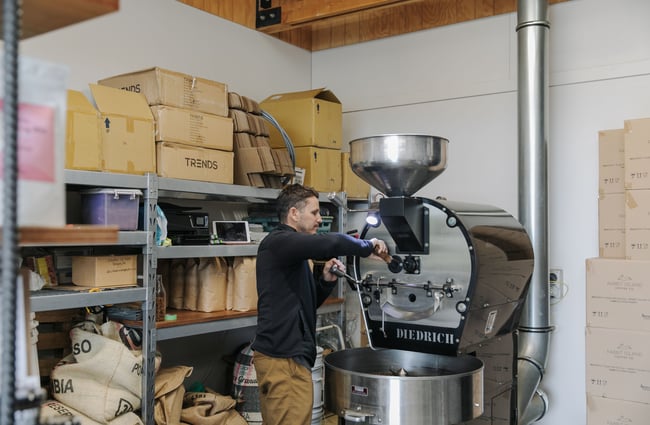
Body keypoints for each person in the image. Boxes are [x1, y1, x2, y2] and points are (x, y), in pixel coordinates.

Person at [252, 184, 387, 425]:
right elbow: (330, 243)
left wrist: (325, 281)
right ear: (294, 213)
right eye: (314, 213)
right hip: (282, 360)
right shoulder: (278, 242)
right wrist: (368, 246)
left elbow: (307, 304)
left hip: (292, 357)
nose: (319, 219)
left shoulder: (294, 254)